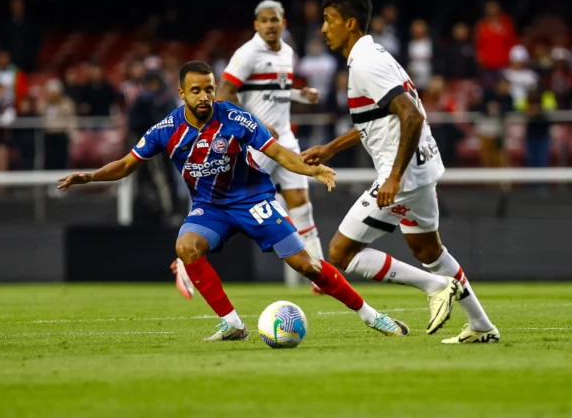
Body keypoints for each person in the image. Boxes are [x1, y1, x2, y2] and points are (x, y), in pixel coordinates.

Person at [57, 61, 413, 341]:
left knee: (308, 266)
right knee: (186, 246)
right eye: (196, 90)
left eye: (209, 89)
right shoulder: (167, 129)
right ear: (181, 93)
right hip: (210, 209)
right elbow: (124, 165)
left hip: (253, 199)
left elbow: (278, 152)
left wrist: (312, 171)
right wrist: (89, 176)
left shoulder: (235, 117)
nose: (204, 96)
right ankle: (232, 325)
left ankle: (372, 316)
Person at [302, 0, 500, 343]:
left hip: (404, 175)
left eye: (329, 21)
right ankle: (482, 326)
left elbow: (411, 115)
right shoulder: (375, 56)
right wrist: (331, 148)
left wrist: (393, 177)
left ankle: (436, 287)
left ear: (350, 24)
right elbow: (378, 119)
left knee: (340, 252)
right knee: (429, 251)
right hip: (421, 169)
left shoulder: (366, 64)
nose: (323, 29)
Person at [174, 0, 325, 294]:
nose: (270, 25)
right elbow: (226, 93)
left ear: (284, 23)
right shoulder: (247, 53)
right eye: (265, 20)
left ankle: (318, 275)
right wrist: (253, 123)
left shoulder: (288, 52)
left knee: (301, 205)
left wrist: (300, 95)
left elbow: (270, 90)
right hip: (255, 142)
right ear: (256, 25)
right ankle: (183, 260)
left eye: (275, 20)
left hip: (284, 137)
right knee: (225, 202)